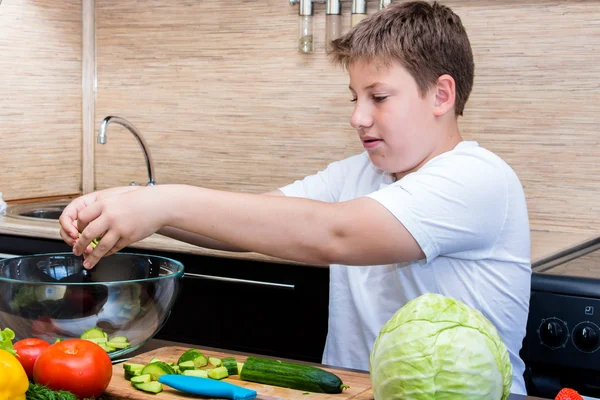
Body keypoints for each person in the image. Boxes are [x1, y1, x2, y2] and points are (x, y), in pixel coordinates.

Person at [59, 1, 531, 394]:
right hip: (358, 390)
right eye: (354, 98)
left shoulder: (476, 177)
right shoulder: (361, 174)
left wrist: (162, 203)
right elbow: (257, 222)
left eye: (378, 97)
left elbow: (334, 233)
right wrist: (132, 204)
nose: (358, 118)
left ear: (441, 94)